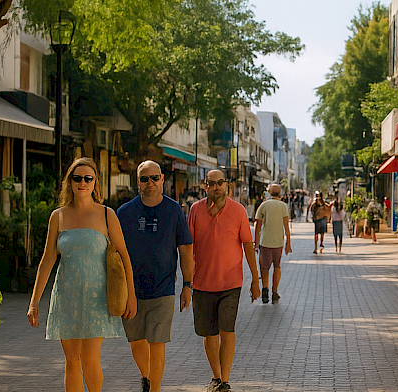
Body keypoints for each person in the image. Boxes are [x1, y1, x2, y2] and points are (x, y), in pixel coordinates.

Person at [28, 158, 138, 392]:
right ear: (70, 182)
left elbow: (125, 257)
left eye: (88, 178)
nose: (82, 183)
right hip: (66, 296)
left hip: (95, 299)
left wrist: (132, 295)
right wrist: (34, 301)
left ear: (95, 182)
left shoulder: (107, 215)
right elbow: (48, 259)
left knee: (89, 358)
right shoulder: (58, 216)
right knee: (71, 360)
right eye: (77, 178)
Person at [116, 161, 194, 392]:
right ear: (137, 182)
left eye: (154, 178)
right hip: (131, 290)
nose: (150, 183)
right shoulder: (124, 213)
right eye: (144, 178)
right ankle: (147, 376)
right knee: (136, 341)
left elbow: (186, 248)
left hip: (163, 288)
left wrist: (187, 285)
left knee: (157, 342)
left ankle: (155, 389)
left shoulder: (174, 210)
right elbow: (115, 252)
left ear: (162, 179)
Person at [187, 170, 261, 392]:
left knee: (227, 330)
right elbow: (188, 246)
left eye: (220, 183)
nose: (216, 187)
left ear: (227, 186)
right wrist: (186, 282)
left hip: (230, 283)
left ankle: (226, 380)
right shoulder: (195, 210)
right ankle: (216, 377)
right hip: (202, 283)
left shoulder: (238, 211)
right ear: (205, 186)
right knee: (209, 334)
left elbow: (248, 246)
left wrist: (256, 280)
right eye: (212, 183)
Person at [254, 184, 292, 304]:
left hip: (266, 241)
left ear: (269, 192)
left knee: (264, 267)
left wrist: (256, 242)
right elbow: (286, 226)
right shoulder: (283, 206)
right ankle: (274, 292)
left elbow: (258, 225)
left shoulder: (264, 205)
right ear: (280, 192)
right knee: (277, 266)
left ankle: (265, 289)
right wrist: (288, 243)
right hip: (278, 241)